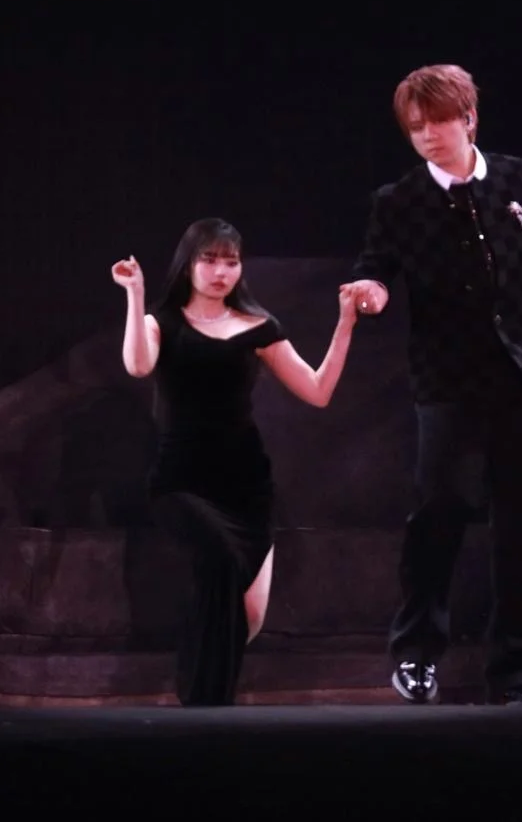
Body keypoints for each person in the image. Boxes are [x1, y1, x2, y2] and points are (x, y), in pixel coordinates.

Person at [343, 64, 522, 706]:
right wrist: (371, 291)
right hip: (449, 380)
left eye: (438, 122)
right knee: (439, 511)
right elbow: (375, 268)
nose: (428, 135)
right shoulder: (398, 201)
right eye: (415, 127)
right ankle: (417, 655)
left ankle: (516, 672)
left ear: (469, 119)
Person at [112, 217, 360, 706]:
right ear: (188, 264)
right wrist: (135, 295)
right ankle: (205, 706)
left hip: (246, 485)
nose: (220, 271)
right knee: (220, 561)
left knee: (249, 619)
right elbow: (138, 365)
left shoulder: (259, 327)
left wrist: (346, 323)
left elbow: (317, 391)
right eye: (209, 259)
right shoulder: (162, 322)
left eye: (230, 261)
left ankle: (206, 706)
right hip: (181, 480)